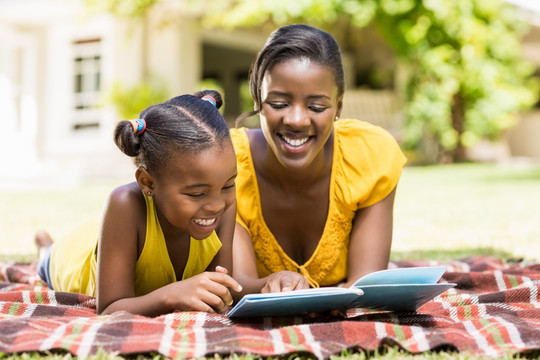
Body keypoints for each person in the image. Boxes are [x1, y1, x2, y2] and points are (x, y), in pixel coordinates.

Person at [230, 24, 407, 297]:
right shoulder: (229, 164)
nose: (297, 120)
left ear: (338, 107)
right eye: (278, 104)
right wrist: (269, 284)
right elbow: (239, 284)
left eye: (316, 107)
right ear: (257, 99)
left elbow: (364, 284)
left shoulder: (369, 156)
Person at [35, 90, 242, 316]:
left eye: (227, 186)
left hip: (112, 235)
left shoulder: (223, 206)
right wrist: (172, 294)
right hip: (71, 257)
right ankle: (45, 246)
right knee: (48, 259)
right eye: (197, 194)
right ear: (147, 182)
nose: (216, 204)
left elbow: (220, 294)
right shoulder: (124, 203)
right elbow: (110, 309)